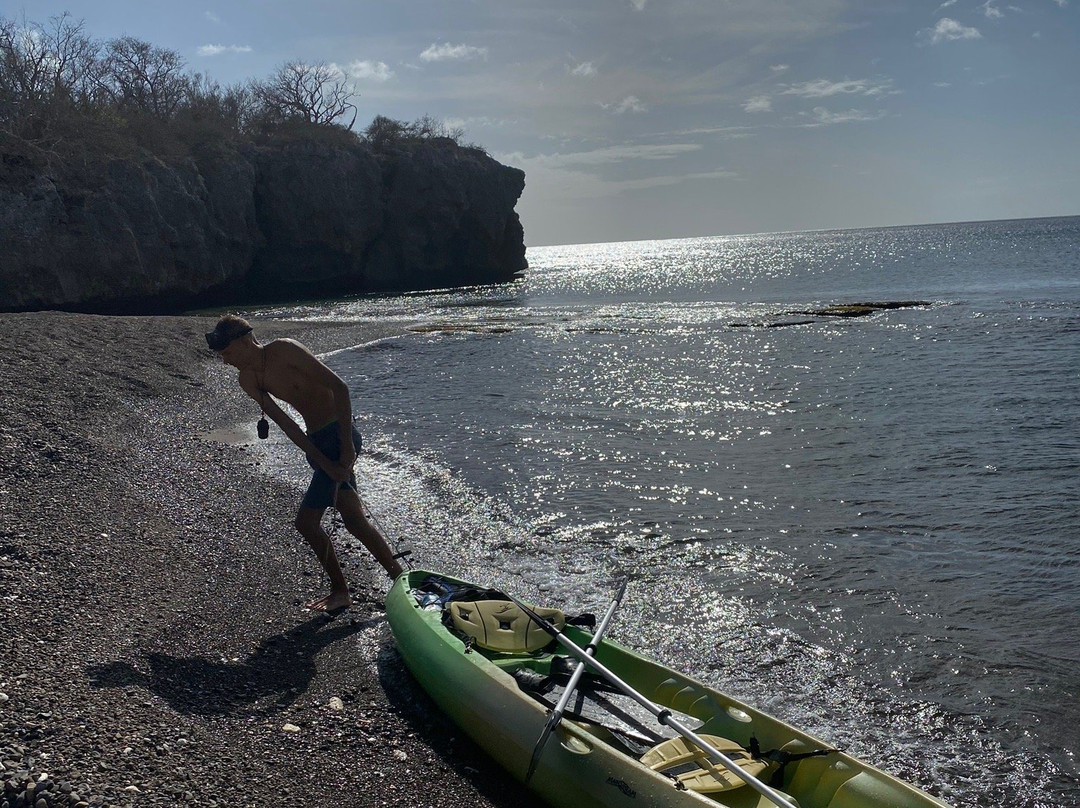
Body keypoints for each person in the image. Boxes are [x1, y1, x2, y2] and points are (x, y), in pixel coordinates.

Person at [205, 314, 403, 612]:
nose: (225, 361)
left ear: (246, 340)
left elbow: (341, 389)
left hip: (341, 435)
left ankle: (342, 590)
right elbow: (287, 424)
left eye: (228, 352)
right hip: (317, 445)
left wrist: (347, 447)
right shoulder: (247, 379)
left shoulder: (285, 349)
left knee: (307, 523)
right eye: (221, 356)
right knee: (354, 520)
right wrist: (320, 459)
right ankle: (400, 580)